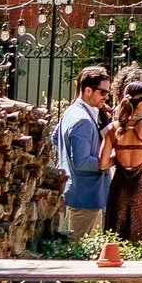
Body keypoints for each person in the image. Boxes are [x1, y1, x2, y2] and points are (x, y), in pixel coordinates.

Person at [103, 80, 142, 244]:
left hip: (118, 190)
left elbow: (102, 163)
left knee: (116, 239)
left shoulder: (112, 128)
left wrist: (120, 155)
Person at [54, 67, 113, 236]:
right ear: (88, 90)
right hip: (86, 197)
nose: (106, 97)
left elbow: (54, 137)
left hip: (74, 191)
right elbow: (82, 162)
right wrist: (111, 160)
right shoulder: (83, 120)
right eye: (103, 92)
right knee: (81, 254)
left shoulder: (71, 112)